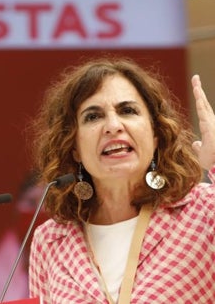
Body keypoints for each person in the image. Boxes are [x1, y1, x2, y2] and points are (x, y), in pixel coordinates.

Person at [28, 57, 215, 303]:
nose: (113, 126)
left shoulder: (204, 210)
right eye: (93, 117)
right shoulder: (50, 240)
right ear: (73, 147)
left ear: (156, 133)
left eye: (127, 111)